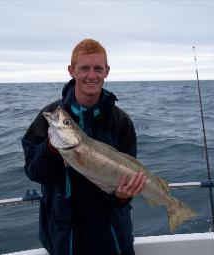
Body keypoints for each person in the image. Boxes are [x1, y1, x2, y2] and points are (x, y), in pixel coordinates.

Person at [22, 39, 146, 255]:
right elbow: (34, 172)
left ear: (106, 71)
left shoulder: (121, 121)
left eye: (98, 68)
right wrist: (50, 150)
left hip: (112, 238)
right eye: (84, 68)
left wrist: (123, 196)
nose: (91, 75)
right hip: (65, 240)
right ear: (72, 71)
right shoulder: (51, 117)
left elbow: (124, 185)